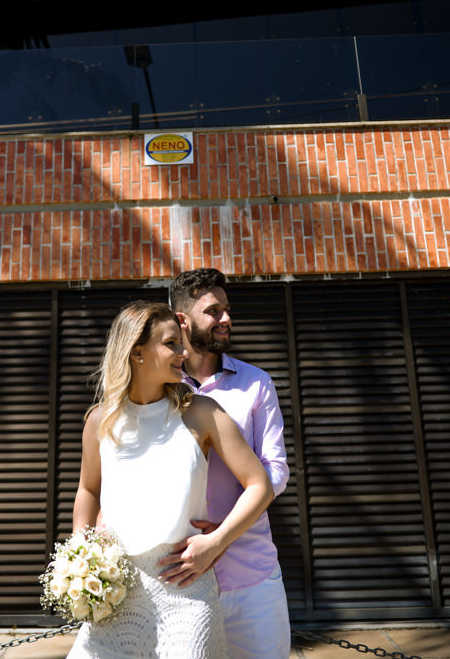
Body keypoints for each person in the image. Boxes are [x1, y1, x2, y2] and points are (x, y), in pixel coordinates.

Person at [68, 300, 274, 659]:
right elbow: (88, 489)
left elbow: (261, 485)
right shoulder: (100, 421)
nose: (184, 352)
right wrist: (79, 553)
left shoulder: (202, 412)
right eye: (171, 344)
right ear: (137, 352)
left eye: (181, 342)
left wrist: (216, 542)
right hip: (116, 595)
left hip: (187, 592)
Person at [160, 268, 291, 659]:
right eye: (213, 311)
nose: (226, 319)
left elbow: (275, 470)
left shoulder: (257, 383)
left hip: (251, 575)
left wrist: (224, 533)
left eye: (227, 309)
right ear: (183, 320)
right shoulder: (158, 388)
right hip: (177, 576)